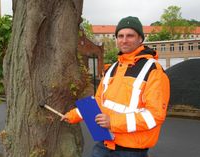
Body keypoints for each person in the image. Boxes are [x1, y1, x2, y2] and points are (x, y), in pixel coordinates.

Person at [61, 16, 170, 157]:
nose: (124, 40)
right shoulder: (113, 68)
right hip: (105, 143)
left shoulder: (153, 71)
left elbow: (154, 116)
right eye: (120, 36)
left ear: (140, 39)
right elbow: (99, 101)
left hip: (131, 151)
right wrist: (73, 115)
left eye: (130, 36)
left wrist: (113, 122)